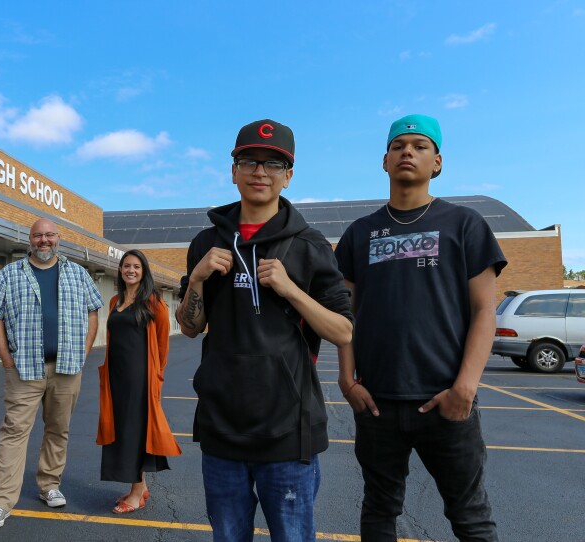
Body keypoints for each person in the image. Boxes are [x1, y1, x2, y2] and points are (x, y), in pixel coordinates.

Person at [176, 120, 353, 541]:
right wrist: (198, 279)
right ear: (233, 169)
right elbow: (189, 328)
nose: (260, 172)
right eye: (249, 161)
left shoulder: (310, 246)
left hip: (288, 434)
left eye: (273, 163)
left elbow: (343, 331)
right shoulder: (206, 243)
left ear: (288, 176)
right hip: (222, 428)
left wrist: (291, 289)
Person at [334, 114, 505, 541]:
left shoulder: (464, 224)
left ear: (438, 162)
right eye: (399, 145)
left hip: (446, 400)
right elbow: (345, 314)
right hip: (377, 403)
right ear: (385, 161)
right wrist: (346, 379)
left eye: (420, 145)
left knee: (471, 518)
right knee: (379, 512)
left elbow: (486, 311)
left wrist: (465, 387)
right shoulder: (360, 233)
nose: (407, 151)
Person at [0, 217, 103, 529]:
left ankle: (49, 485)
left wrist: (84, 351)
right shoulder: (10, 274)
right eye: (38, 235)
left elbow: (93, 312)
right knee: (14, 432)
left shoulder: (78, 273)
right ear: (29, 239)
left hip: (66, 368)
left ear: (58, 238)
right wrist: (7, 359)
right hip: (24, 368)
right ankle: (1, 501)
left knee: (58, 429)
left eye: (49, 235)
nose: (43, 241)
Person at [96, 249, 182, 514]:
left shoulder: (154, 302)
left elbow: (162, 344)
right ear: (120, 270)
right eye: (125, 266)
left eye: (135, 266)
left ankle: (136, 493)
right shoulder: (114, 301)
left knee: (135, 431)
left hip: (140, 379)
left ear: (144, 271)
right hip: (116, 377)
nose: (130, 270)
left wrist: (157, 377)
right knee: (123, 429)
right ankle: (140, 486)